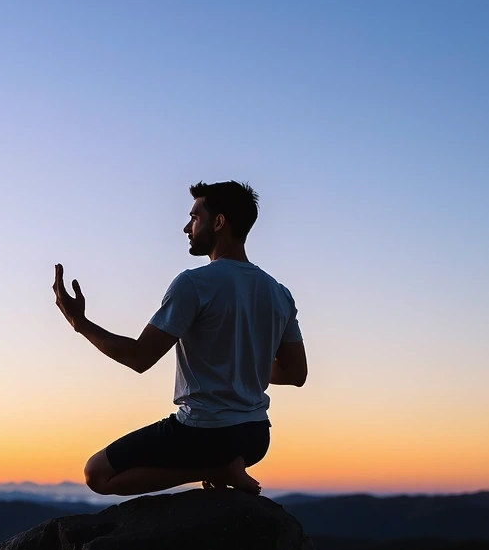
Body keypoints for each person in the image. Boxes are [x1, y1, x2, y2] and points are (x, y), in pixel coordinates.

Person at [52, 180, 307, 497]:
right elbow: (297, 374)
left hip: (204, 432)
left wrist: (80, 323)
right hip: (255, 437)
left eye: (195, 217)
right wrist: (245, 366)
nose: (187, 227)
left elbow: (139, 357)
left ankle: (215, 469)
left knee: (97, 474)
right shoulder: (278, 293)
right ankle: (226, 465)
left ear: (218, 222)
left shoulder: (194, 283)